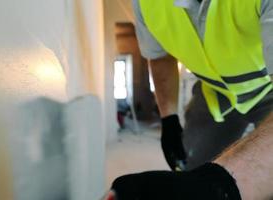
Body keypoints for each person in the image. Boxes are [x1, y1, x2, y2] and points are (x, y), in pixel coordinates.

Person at [107, 0, 273, 199]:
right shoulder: (145, 4)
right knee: (191, 164)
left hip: (267, 91)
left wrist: (220, 186)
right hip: (215, 93)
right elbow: (160, 57)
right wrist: (169, 119)